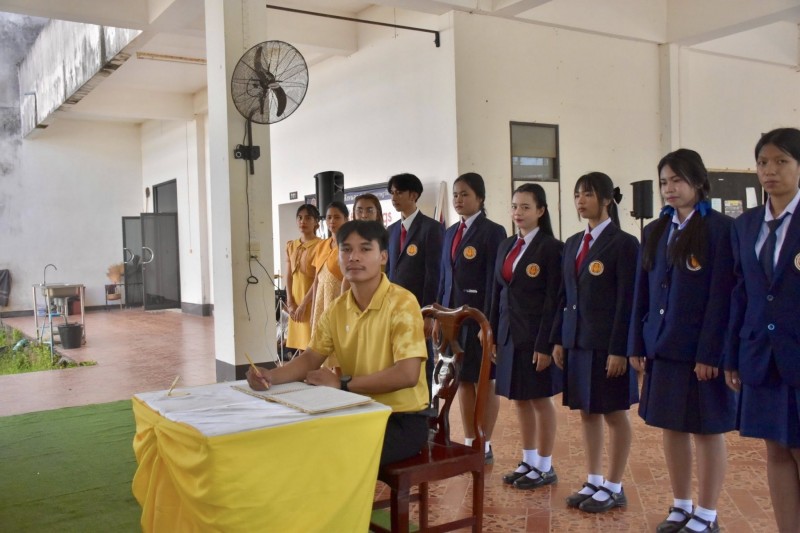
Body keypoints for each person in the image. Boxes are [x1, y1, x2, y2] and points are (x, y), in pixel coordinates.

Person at [246, 220, 430, 466]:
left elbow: (407, 374)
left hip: (400, 419)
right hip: (355, 410)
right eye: (346, 249)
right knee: (293, 438)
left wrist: (342, 384)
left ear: (383, 257)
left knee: (326, 453)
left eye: (365, 249)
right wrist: (270, 376)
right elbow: (311, 357)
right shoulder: (337, 309)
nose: (354, 257)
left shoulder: (402, 303)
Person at [629, 149, 735, 533]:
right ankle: (681, 504)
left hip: (699, 352)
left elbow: (722, 296)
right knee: (671, 426)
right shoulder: (656, 230)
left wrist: (711, 353)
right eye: (663, 182)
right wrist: (636, 343)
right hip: (662, 345)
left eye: (677, 180)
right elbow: (642, 292)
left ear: (698, 181)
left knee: (706, 430)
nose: (669, 188)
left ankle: (706, 513)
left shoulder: (720, 229)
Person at [725, 128, 800, 533]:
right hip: (760, 352)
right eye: (763, 162)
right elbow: (740, 291)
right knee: (776, 450)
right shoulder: (746, 224)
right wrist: (731, 354)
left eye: (781, 161)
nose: (770, 170)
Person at [551, 172, 639, 513]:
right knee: (587, 412)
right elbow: (564, 295)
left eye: (587, 194)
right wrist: (560, 339)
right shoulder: (573, 242)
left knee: (614, 413)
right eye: (577, 195)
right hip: (577, 341)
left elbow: (627, 301)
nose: (580, 201)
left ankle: (614, 486)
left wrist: (620, 349)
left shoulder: (624, 244)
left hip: (607, 345)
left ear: (605, 200)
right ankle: (594, 479)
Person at [490, 183, 563, 490]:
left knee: (540, 399)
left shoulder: (551, 248)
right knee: (519, 398)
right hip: (509, 334)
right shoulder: (507, 245)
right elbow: (498, 291)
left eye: (525, 207)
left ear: (541, 211)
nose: (518, 213)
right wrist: (492, 332)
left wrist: (545, 344)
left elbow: (554, 300)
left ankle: (545, 465)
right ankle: (529, 459)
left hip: (536, 337)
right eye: (514, 206)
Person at [438, 172, 506, 463]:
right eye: (455, 194)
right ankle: (469, 440)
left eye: (465, 194)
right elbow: (444, 278)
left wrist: (487, 322)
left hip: (479, 320)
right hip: (453, 320)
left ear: (480, 197)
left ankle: (484, 442)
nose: (458, 199)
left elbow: (494, 282)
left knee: (484, 381)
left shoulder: (493, 232)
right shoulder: (450, 232)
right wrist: (440, 315)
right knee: (462, 380)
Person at [385, 173, 444, 395]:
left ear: (414, 195)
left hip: (419, 308)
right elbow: (389, 272)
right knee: (396, 358)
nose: (394, 198)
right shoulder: (391, 231)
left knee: (421, 358)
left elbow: (434, 273)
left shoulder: (431, 228)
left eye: (399, 192)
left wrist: (429, 313)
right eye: (392, 193)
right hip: (393, 309)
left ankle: (426, 404)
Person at [310, 201, 349, 367]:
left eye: (337, 217)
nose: (332, 221)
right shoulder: (321, 245)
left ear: (346, 219)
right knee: (320, 348)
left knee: (338, 349)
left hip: (338, 299)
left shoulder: (349, 245)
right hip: (321, 300)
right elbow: (316, 280)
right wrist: (313, 310)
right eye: (329, 217)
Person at [284, 204, 321, 352]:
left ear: (316, 221)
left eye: (308, 218)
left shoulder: (320, 245)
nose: (302, 221)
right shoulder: (291, 245)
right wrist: (290, 302)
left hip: (311, 300)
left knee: (312, 345)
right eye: (299, 218)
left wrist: (304, 304)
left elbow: (318, 279)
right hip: (295, 301)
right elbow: (288, 275)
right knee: (300, 346)